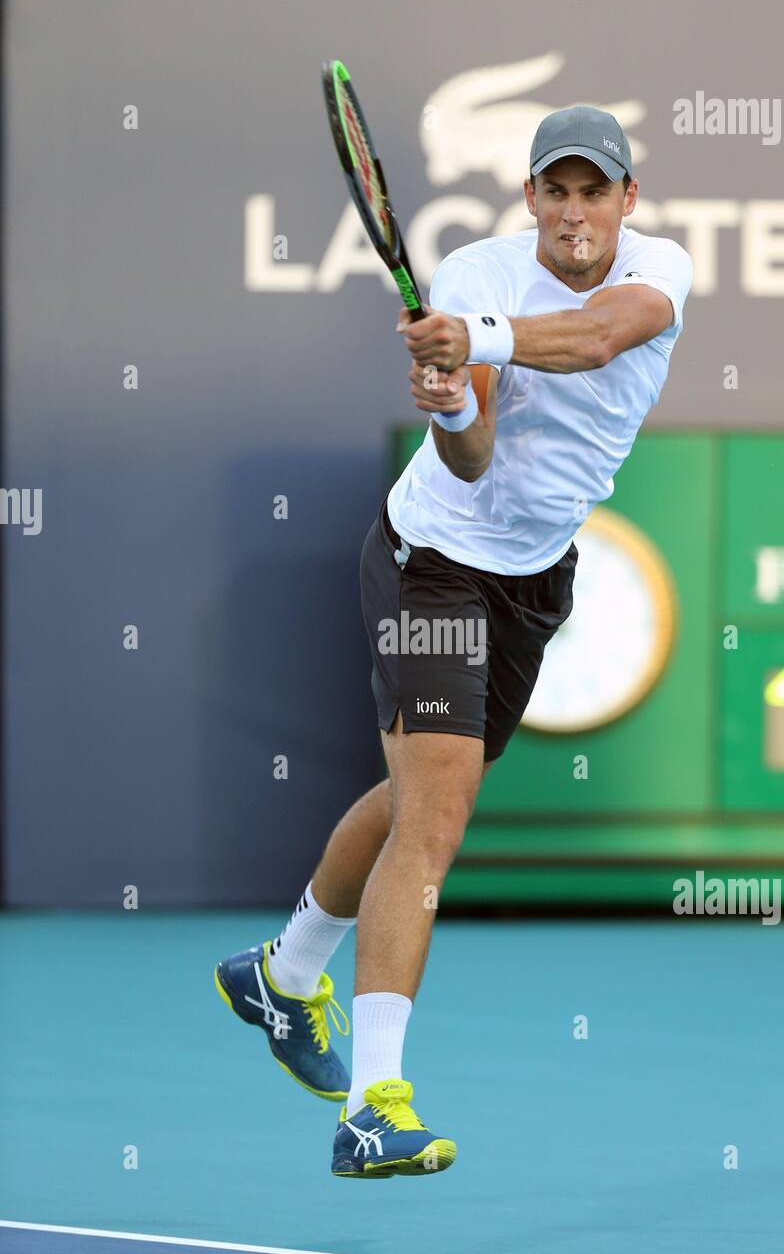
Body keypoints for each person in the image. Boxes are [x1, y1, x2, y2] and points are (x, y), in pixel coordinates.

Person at [215, 105, 694, 1179]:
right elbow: (472, 460)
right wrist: (445, 403)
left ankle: (282, 974)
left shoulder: (660, 271)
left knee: (417, 796)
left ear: (628, 201)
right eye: (555, 191)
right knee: (434, 816)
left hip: (534, 578)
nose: (575, 211)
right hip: (431, 556)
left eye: (594, 190)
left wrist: (469, 345)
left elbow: (598, 337)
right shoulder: (475, 272)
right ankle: (374, 1107)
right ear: (528, 199)